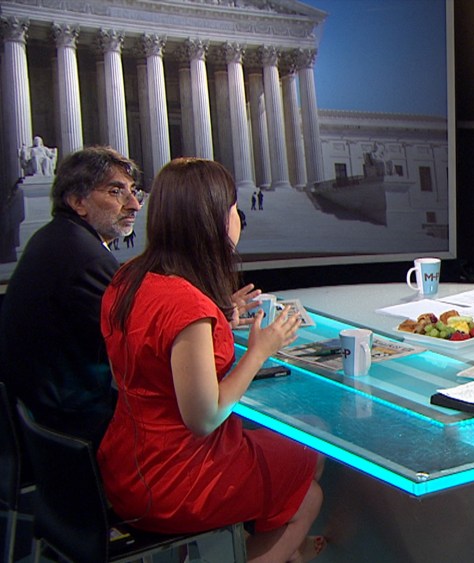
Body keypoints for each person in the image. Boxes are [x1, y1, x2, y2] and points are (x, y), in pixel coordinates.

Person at [98, 158, 325, 562]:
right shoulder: (187, 306)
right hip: (175, 480)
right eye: (233, 208)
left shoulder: (128, 277)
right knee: (312, 481)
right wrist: (260, 351)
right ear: (214, 220)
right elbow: (204, 417)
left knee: (300, 456)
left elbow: (153, 353)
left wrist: (217, 316)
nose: (238, 218)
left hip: (125, 466)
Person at [0, 146, 141, 445]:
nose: (134, 205)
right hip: (73, 427)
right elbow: (143, 339)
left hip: (42, 421)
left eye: (133, 191)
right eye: (116, 192)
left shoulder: (57, 238)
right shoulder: (85, 257)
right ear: (78, 201)